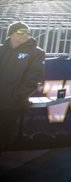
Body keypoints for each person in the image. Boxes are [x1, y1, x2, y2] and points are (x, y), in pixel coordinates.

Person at [0, 22, 45, 153]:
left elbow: (35, 77)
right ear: (11, 34)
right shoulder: (1, 50)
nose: (25, 34)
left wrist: (19, 96)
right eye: (21, 31)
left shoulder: (36, 52)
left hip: (11, 104)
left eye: (27, 32)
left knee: (3, 136)